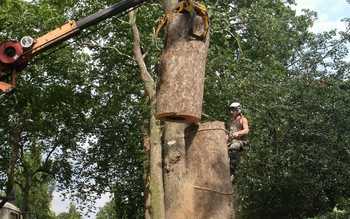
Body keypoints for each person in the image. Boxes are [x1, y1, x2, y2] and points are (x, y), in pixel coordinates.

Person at [227, 102, 249, 180]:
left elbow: (246, 130)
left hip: (241, 142)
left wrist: (238, 133)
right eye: (231, 110)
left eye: (233, 110)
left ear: (238, 110)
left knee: (233, 147)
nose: (231, 112)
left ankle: (232, 171)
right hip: (232, 141)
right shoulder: (231, 121)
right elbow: (229, 133)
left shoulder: (243, 119)